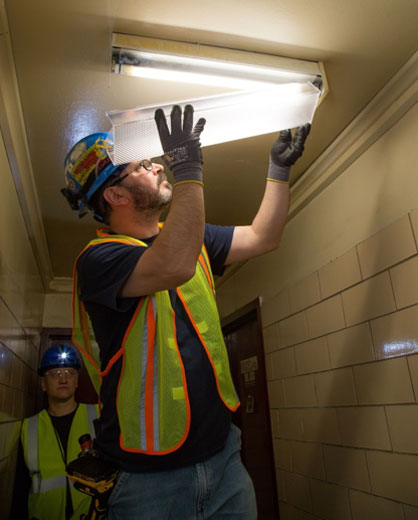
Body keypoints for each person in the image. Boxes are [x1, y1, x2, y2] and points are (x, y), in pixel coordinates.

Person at [61, 104, 311, 519]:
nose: (159, 167)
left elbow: (263, 237)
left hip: (224, 456)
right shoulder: (99, 260)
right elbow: (172, 264)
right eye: (143, 165)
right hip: (147, 478)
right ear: (116, 195)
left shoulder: (191, 238)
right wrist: (188, 169)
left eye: (156, 161)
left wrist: (278, 170)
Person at [10, 344, 99, 520]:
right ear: (43, 383)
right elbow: (21, 488)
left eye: (70, 373)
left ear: (76, 382)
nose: (64, 379)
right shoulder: (29, 428)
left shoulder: (97, 416)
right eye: (56, 374)